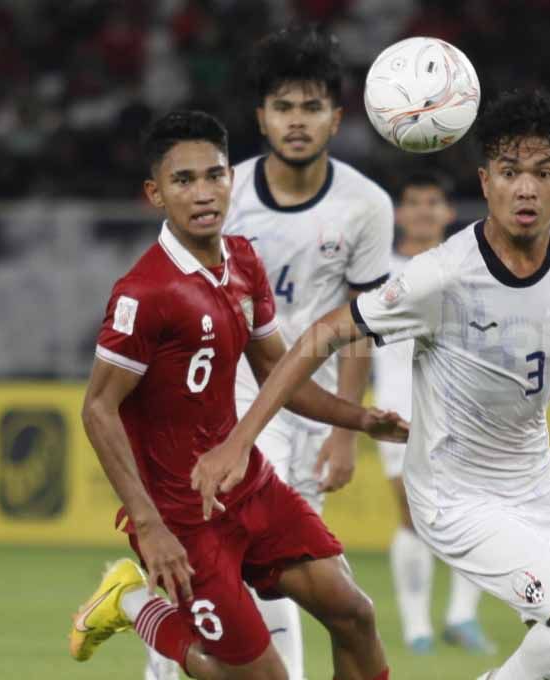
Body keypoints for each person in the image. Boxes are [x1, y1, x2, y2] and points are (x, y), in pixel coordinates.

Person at [191, 90, 550, 680]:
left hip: (534, 482)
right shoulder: (441, 275)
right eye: (510, 173)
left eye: (543, 173)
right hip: (453, 494)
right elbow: (319, 337)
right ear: (486, 182)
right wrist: (240, 440)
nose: (527, 189)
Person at [69, 110, 402, 680]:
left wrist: (360, 418)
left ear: (230, 180)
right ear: (155, 194)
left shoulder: (244, 261)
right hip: (182, 519)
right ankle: (133, 604)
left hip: (250, 489)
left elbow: (279, 375)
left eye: (214, 175)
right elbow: (97, 409)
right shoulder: (145, 292)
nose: (203, 193)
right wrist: (150, 527)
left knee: (356, 615)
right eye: (183, 181)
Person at [170, 26, 392, 680]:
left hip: (310, 408)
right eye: (284, 107)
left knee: (295, 578)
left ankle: (154, 628)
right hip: (226, 405)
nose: (298, 122)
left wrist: (347, 431)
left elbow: (362, 323)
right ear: (262, 118)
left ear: (336, 118)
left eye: (312, 107)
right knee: (245, 562)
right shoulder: (221, 194)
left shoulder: (366, 207)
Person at [373, 173, 493, 655]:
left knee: (479, 513)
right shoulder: (378, 268)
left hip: (464, 407)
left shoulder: (468, 267)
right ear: (399, 214)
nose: (424, 211)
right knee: (412, 517)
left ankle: (461, 617)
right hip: (396, 407)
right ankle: (416, 627)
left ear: (448, 213)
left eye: (433, 203)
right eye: (414, 202)